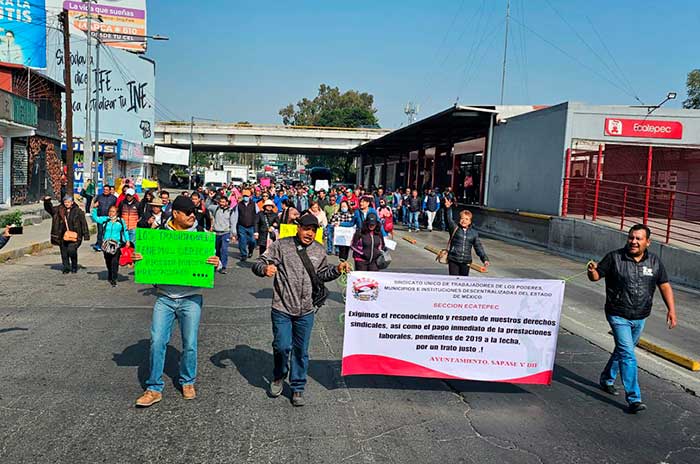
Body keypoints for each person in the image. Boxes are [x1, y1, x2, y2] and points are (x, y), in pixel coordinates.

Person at [252, 212, 351, 406]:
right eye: (306, 229)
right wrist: (264, 269)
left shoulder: (319, 250)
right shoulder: (282, 246)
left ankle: (297, 387)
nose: (310, 233)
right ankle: (279, 375)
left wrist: (337, 270)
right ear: (298, 228)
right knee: (282, 346)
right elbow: (260, 262)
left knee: (301, 350)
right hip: (282, 307)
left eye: (313, 230)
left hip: (306, 310)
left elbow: (322, 275)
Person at [133, 196, 221, 408]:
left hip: (191, 299)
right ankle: (154, 387)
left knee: (189, 344)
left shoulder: (202, 236)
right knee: (157, 342)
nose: (192, 215)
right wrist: (140, 259)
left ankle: (188, 381)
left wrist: (216, 263)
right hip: (164, 298)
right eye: (187, 212)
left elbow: (214, 264)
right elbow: (146, 257)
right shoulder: (159, 234)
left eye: (194, 212)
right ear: (176, 214)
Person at [587, 224, 677, 414]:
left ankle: (606, 379)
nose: (633, 242)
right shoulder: (614, 257)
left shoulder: (654, 262)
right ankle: (634, 398)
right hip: (617, 314)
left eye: (638, 238)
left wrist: (672, 310)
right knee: (628, 354)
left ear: (648, 242)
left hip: (640, 316)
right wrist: (591, 270)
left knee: (622, 350)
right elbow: (595, 276)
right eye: (631, 238)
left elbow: (664, 285)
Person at [44, 195, 90, 274]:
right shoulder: (60, 210)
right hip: (62, 235)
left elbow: (83, 223)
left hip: (75, 235)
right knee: (64, 252)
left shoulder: (78, 211)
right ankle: (66, 267)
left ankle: (74, 266)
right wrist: (47, 201)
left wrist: (86, 234)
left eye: (68, 202)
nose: (67, 204)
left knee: (71, 250)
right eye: (65, 202)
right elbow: (50, 210)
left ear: (72, 202)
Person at [444, 199, 489, 276]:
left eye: (466, 219)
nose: (464, 221)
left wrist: (484, 259)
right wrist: (448, 208)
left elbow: (478, 247)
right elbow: (449, 220)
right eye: (462, 218)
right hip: (454, 260)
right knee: (454, 282)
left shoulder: (473, 233)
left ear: (470, 221)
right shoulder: (454, 228)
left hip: (466, 261)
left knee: (463, 282)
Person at [91, 205, 129, 287]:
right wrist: (94, 209)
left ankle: (114, 278)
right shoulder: (105, 220)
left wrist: (127, 241)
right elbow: (95, 218)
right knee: (108, 261)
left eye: (113, 211)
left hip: (116, 245)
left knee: (114, 262)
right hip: (106, 244)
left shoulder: (121, 221)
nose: (111, 213)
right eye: (110, 211)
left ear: (117, 213)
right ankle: (110, 273)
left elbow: (125, 231)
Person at [209, 195, 238, 274]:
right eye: (220, 202)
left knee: (224, 250)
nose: (222, 203)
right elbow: (207, 206)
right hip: (216, 232)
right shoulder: (215, 208)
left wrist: (233, 235)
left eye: (223, 202)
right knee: (216, 250)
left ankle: (223, 266)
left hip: (225, 233)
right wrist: (211, 198)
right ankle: (216, 265)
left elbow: (233, 223)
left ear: (227, 202)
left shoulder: (231, 211)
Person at [92, 185, 117, 252]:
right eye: (104, 189)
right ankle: (99, 245)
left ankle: (108, 245)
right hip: (100, 217)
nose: (105, 191)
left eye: (107, 190)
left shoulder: (114, 198)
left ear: (110, 190)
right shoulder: (99, 197)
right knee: (100, 231)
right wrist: (95, 206)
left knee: (107, 232)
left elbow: (116, 208)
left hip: (109, 218)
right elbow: (94, 205)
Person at [236, 189, 257, 262]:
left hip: (251, 226)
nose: (245, 197)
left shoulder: (254, 204)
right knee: (242, 241)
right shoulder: (239, 204)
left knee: (252, 241)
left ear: (250, 196)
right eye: (244, 196)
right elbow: (235, 216)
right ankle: (243, 255)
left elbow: (257, 214)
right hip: (241, 226)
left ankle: (251, 250)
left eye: (247, 196)